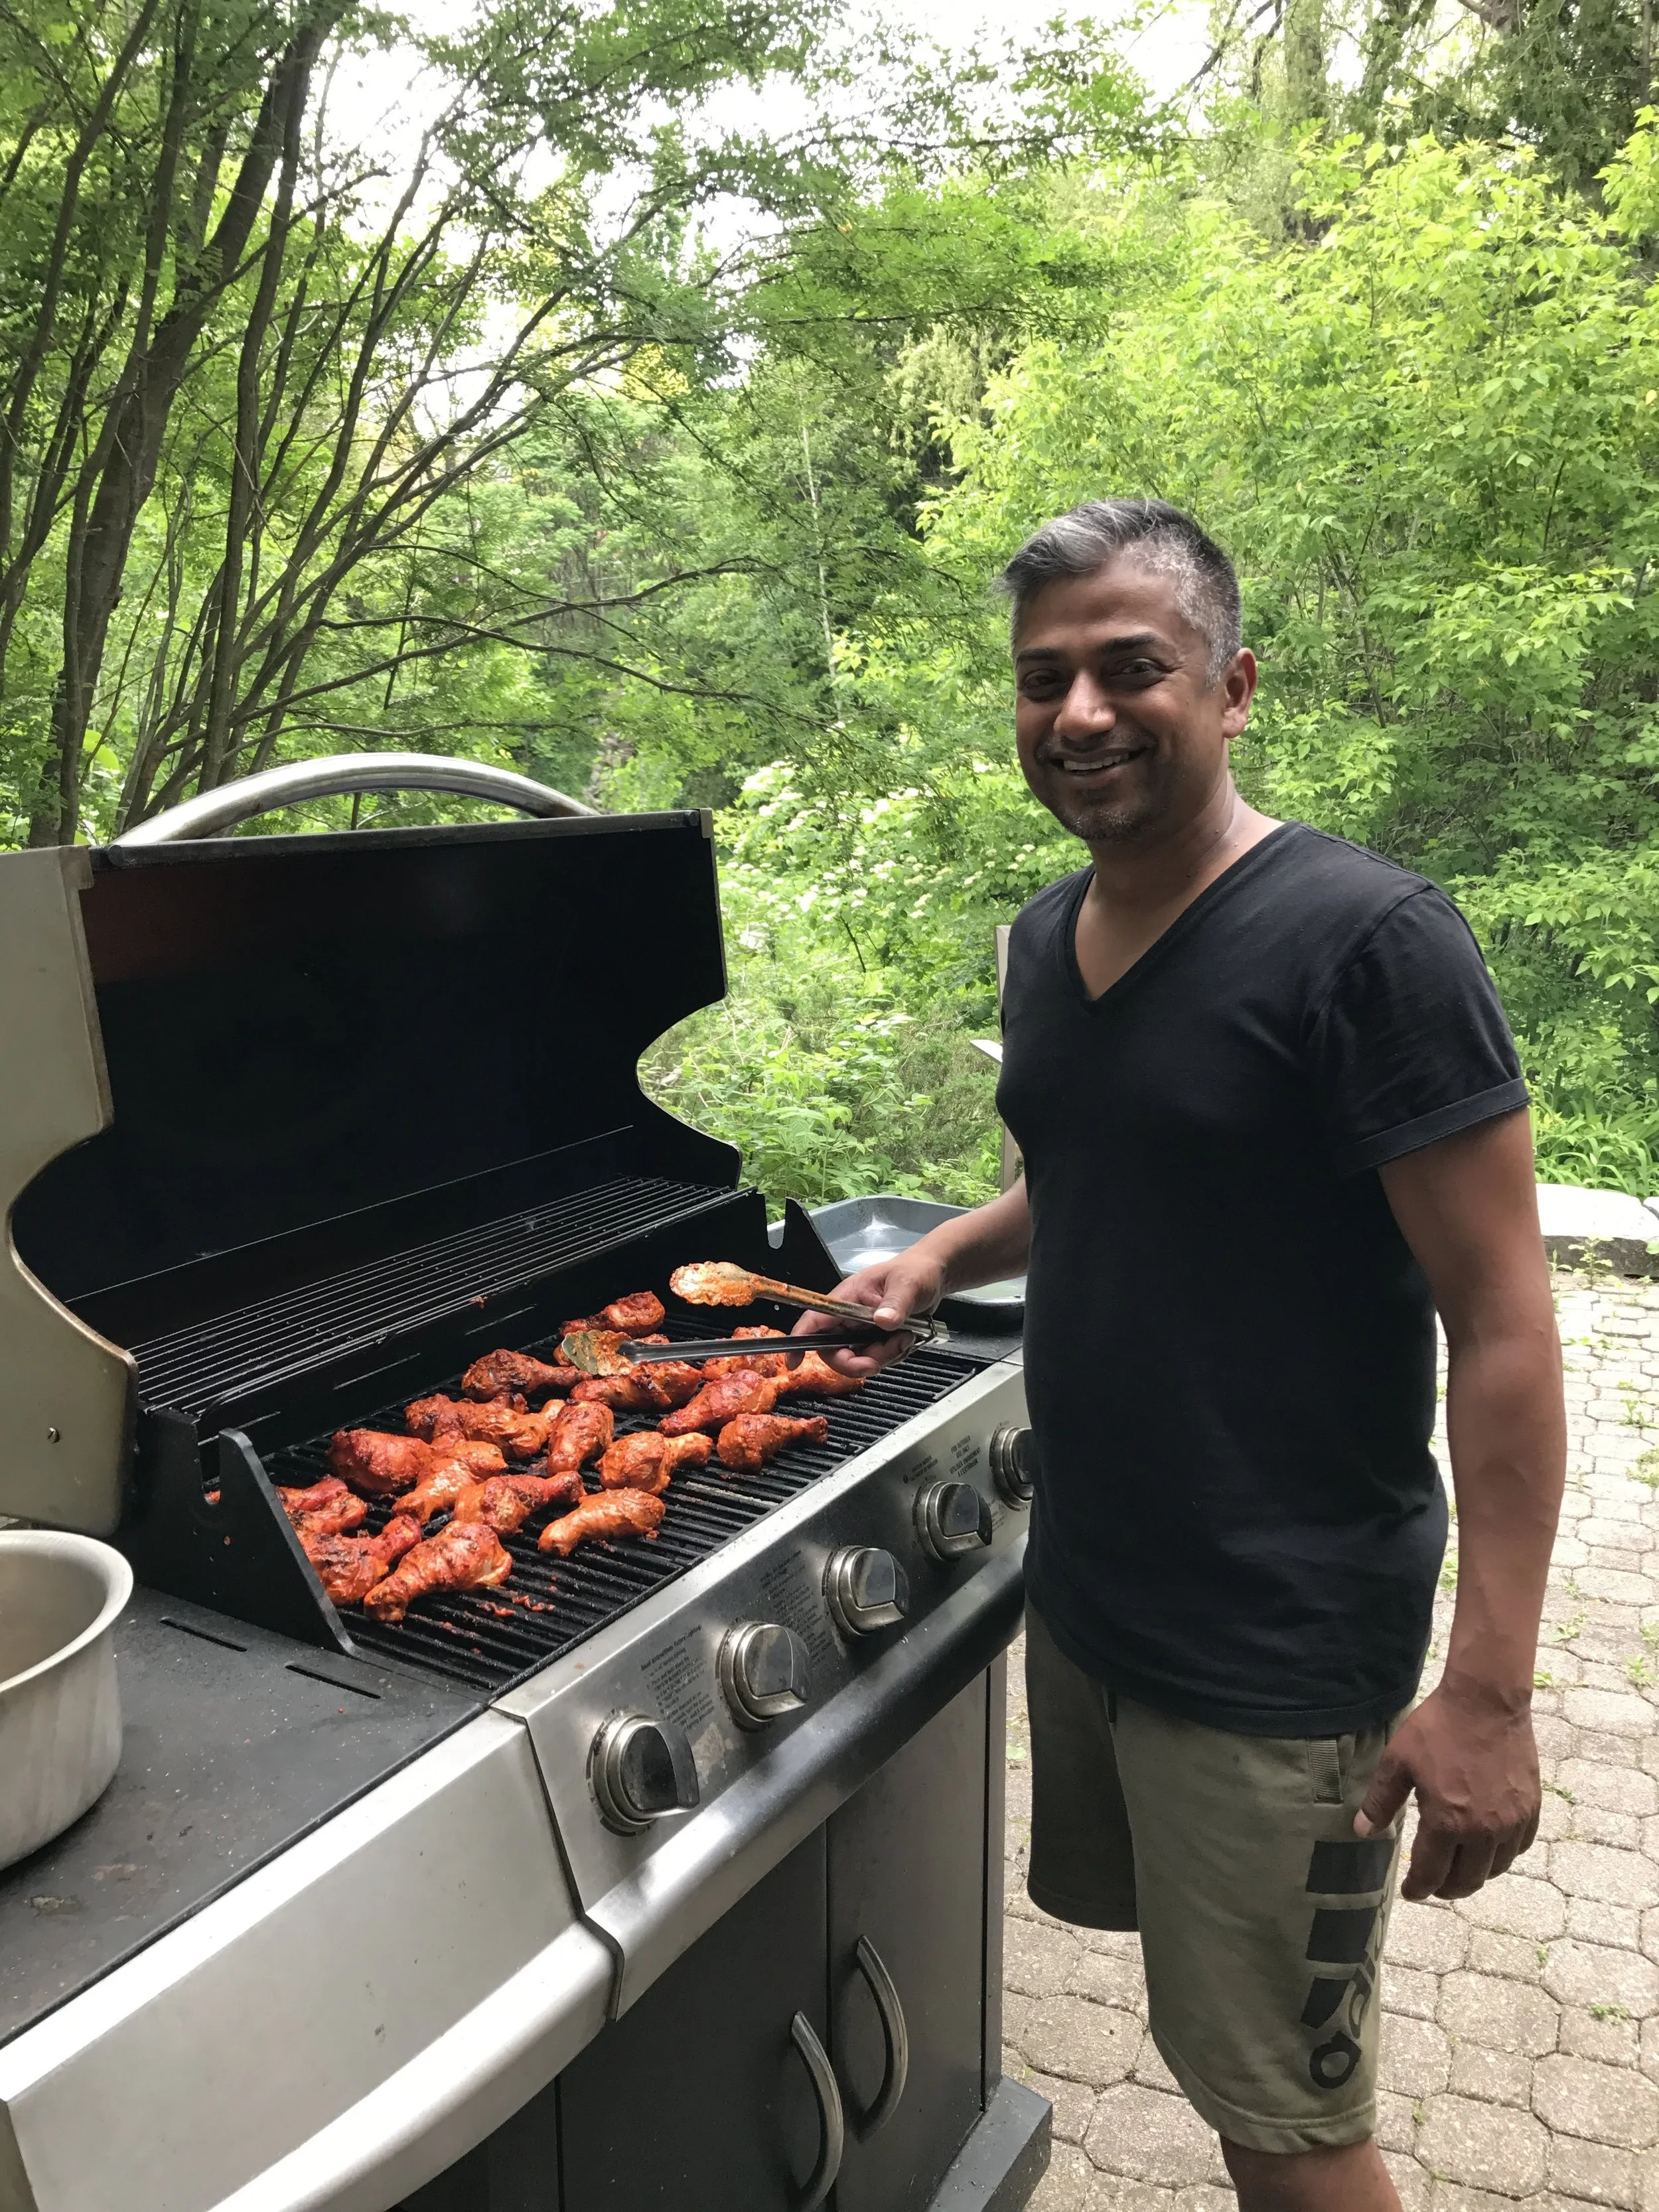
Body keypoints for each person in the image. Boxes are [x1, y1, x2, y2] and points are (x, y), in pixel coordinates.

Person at [798, 500, 1565, 2211]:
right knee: (1212, 2035)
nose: (1080, 715)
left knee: (1288, 2124)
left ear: (1229, 688)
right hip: (1094, 1604)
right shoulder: (1043, 939)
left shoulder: (1368, 946)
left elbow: (1506, 1325)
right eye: (1042, 678)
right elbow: (1085, 1168)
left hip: (1276, 1647)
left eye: (1130, 669)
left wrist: (1491, 1690)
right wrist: (938, 1253)